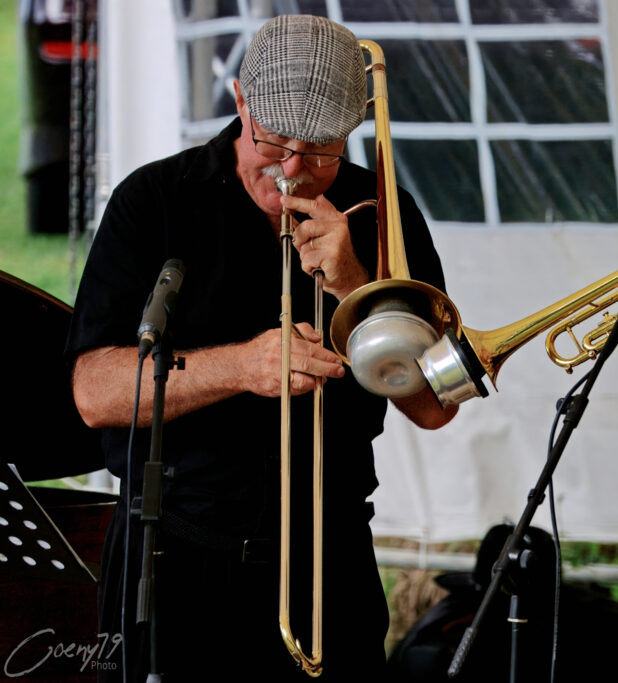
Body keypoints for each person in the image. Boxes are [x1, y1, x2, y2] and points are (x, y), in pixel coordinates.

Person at [65, 15, 456, 681]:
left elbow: (436, 404)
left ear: (354, 127)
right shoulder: (157, 202)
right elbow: (94, 393)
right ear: (240, 101)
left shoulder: (383, 212)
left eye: (321, 150)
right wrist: (242, 366)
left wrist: (356, 286)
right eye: (272, 142)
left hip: (330, 568)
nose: (295, 169)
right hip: (174, 565)